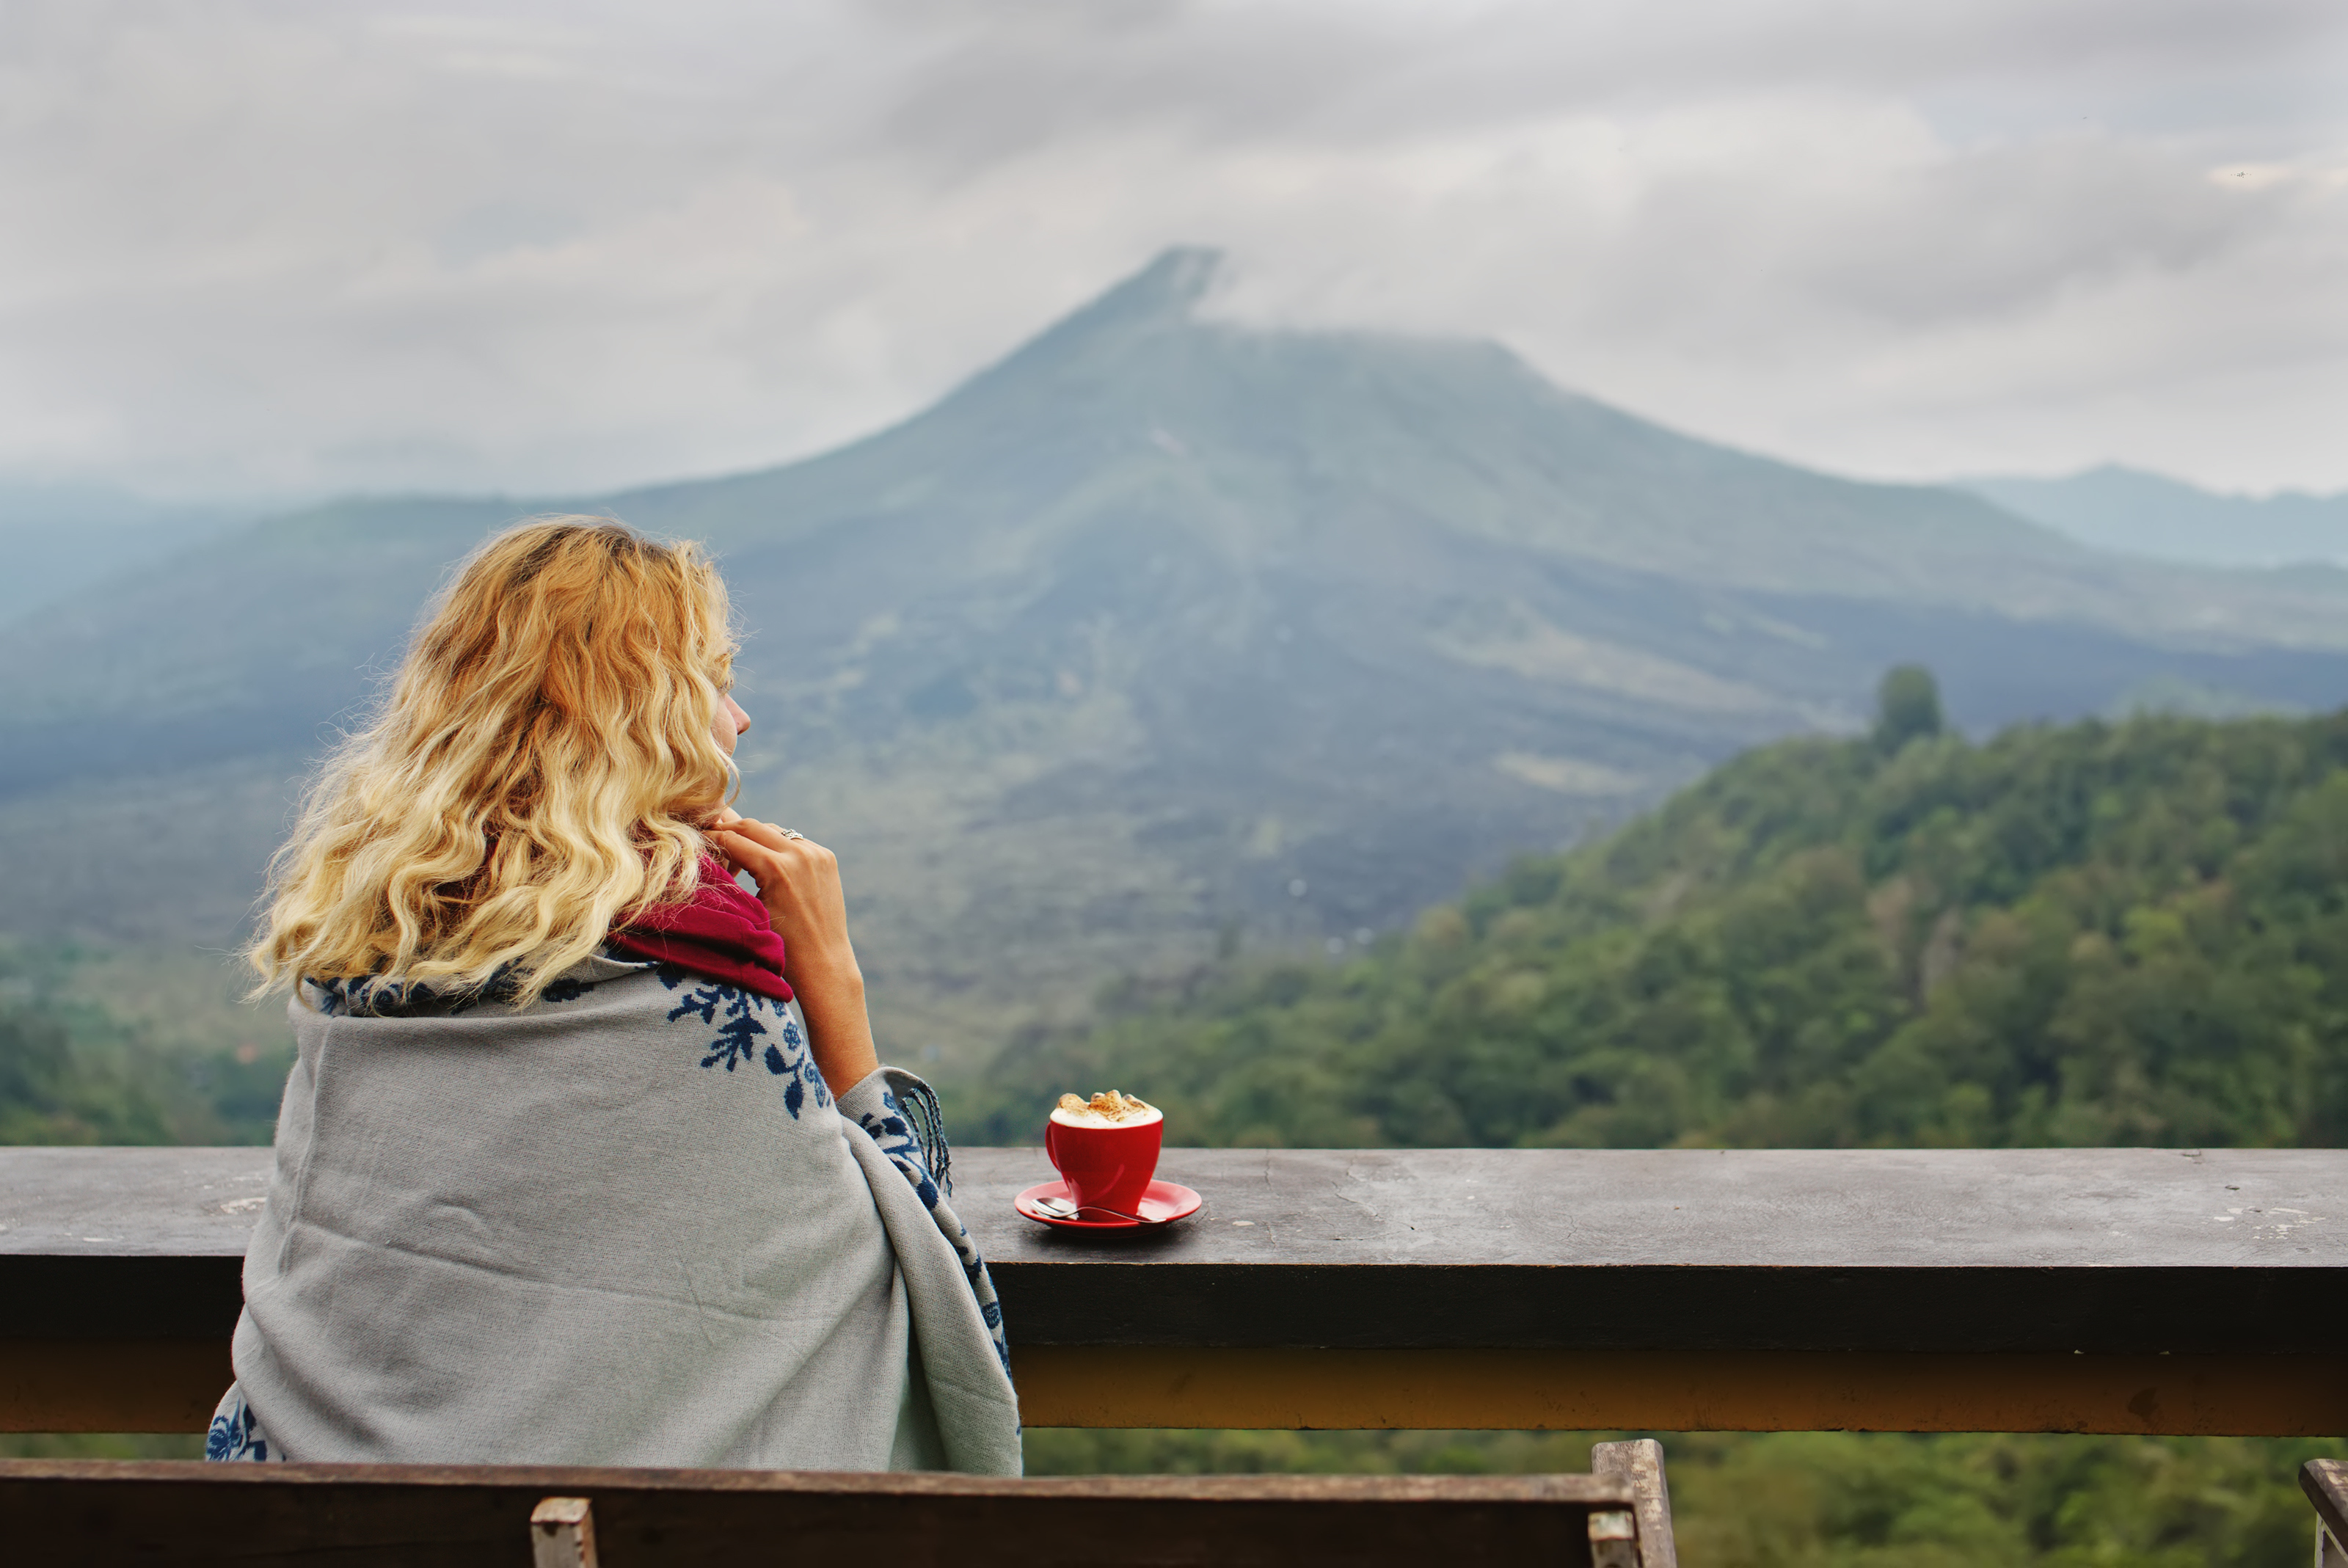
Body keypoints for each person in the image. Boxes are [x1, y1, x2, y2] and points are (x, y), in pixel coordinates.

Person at [205, 516, 1019, 1473]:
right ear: (647, 715)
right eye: (715, 681)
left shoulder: (363, 946)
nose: (740, 717)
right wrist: (832, 982)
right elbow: (916, 1273)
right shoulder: (702, 975)